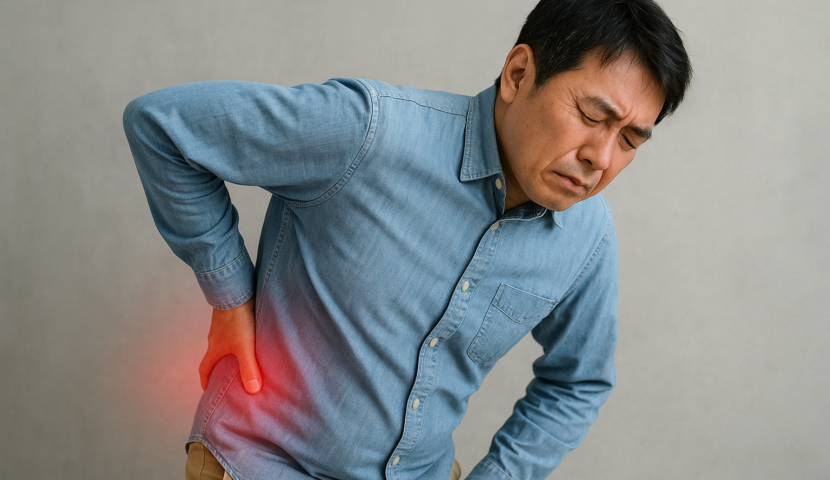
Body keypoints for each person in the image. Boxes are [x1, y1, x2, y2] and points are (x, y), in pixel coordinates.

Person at [123, 0, 691, 478]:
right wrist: (229, 296)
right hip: (262, 462)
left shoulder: (587, 237)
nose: (601, 158)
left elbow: (578, 381)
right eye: (592, 116)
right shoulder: (370, 133)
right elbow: (162, 126)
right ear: (519, 74)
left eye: (630, 140)